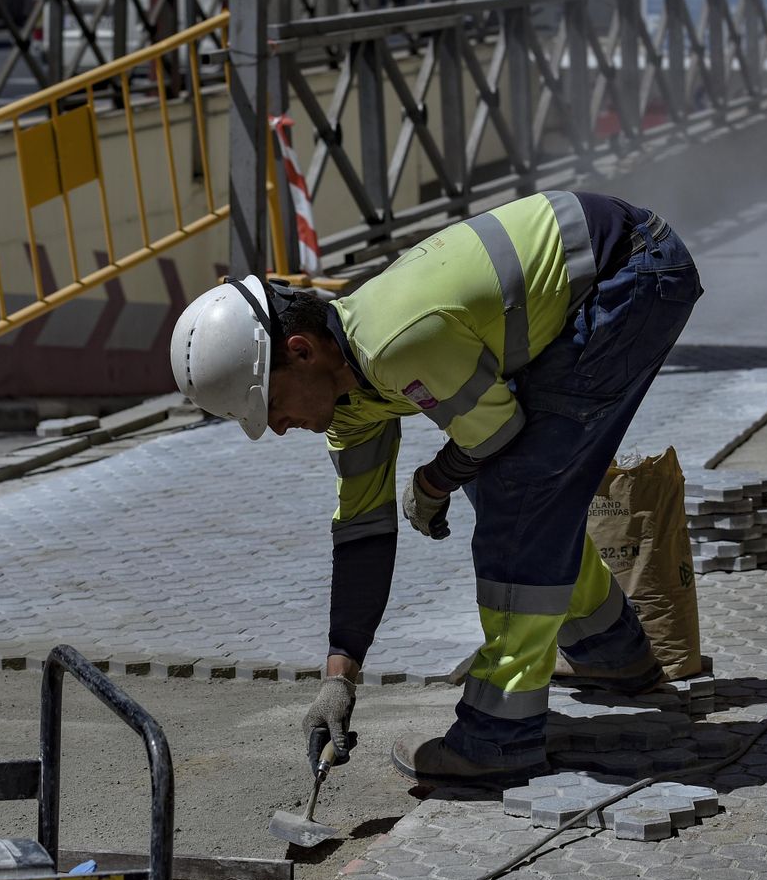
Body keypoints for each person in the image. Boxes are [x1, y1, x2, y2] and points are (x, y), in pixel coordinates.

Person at [169, 191, 701, 787]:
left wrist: (432, 480)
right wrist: (338, 678)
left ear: (302, 350)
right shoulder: (348, 400)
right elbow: (363, 536)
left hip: (632, 273)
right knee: (509, 486)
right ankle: (613, 655)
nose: (276, 427)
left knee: (521, 494)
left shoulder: (397, 341)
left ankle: (500, 738)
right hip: (603, 280)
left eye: (270, 407)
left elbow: (498, 434)